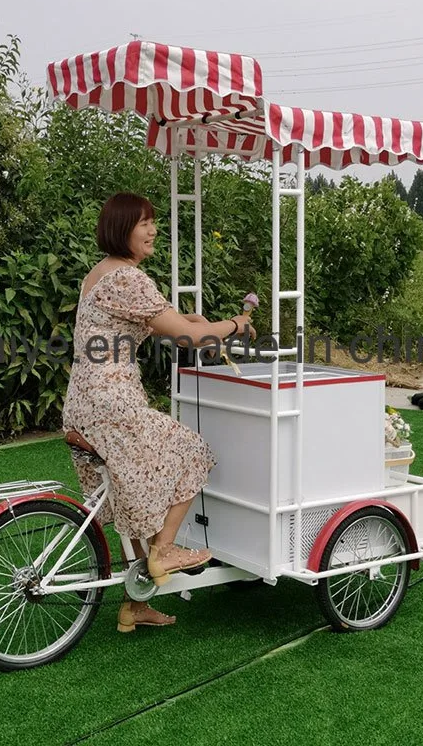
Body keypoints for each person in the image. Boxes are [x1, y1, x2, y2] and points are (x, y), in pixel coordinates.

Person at [62, 192, 256, 633]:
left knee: (127, 492)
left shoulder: (100, 275)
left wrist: (188, 320)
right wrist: (234, 326)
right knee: (193, 451)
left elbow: (155, 324)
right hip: (113, 403)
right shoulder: (130, 279)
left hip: (83, 402)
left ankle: (135, 604)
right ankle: (165, 549)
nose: (152, 230)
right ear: (121, 228)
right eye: (143, 223)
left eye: (153, 222)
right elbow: (189, 339)